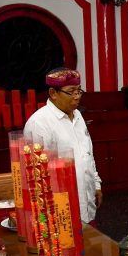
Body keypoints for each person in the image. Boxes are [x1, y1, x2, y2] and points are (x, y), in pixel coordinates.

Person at [23, 68, 102, 224]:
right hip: (60, 209)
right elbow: (36, 175)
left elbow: (87, 155)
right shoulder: (39, 124)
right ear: (53, 93)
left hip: (86, 202)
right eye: (71, 92)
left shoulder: (77, 115)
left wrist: (96, 183)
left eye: (79, 91)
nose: (77, 97)